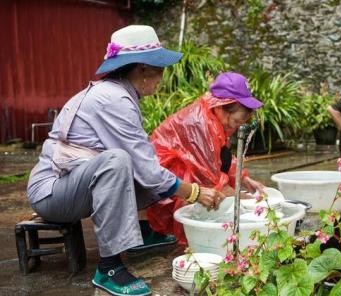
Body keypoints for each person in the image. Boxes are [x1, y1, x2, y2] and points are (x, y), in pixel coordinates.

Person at [26, 25, 224, 296]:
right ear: (142, 70)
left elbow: (148, 167)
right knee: (118, 162)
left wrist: (177, 184)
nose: (162, 77)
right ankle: (109, 268)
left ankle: (142, 233)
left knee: (152, 165)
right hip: (52, 193)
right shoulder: (114, 100)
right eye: (159, 69)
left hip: (73, 182)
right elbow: (146, 172)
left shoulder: (120, 94)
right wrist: (195, 192)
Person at [146, 72, 265, 244]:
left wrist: (244, 179)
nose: (240, 125)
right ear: (223, 107)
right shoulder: (200, 125)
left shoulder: (214, 118)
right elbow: (209, 182)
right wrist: (247, 200)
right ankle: (187, 233)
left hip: (177, 171)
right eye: (238, 120)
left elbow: (220, 158)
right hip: (161, 177)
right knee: (211, 192)